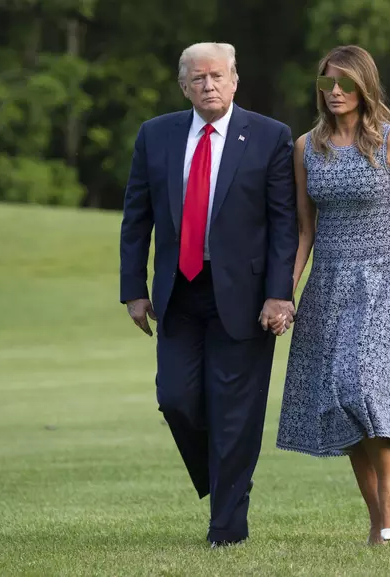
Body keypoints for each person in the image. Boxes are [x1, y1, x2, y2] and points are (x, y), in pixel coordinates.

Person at [119, 42, 298, 547]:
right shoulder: (156, 135)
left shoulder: (270, 137)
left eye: (217, 76)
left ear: (235, 80)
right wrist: (133, 288)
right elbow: (137, 218)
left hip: (245, 299)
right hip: (178, 293)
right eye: (198, 79)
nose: (209, 86)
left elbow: (285, 224)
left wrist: (279, 294)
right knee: (176, 399)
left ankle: (227, 524)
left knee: (235, 413)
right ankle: (223, 474)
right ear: (184, 86)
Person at [274, 45, 390, 546]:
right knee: (338, 399)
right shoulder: (306, 147)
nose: (335, 92)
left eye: (346, 84)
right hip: (329, 282)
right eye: (328, 83)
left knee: (361, 386)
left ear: (364, 87)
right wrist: (284, 294)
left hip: (384, 279)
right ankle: (379, 517)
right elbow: (304, 231)